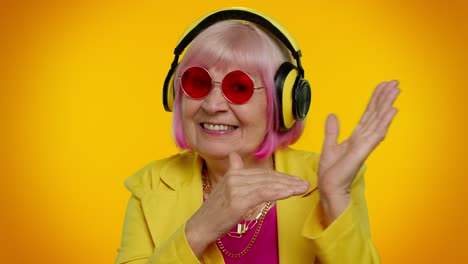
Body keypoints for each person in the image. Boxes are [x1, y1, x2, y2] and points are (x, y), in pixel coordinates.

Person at [115, 7, 399, 264]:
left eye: (238, 87)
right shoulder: (150, 186)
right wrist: (199, 229)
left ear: (283, 102)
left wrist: (334, 198)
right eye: (198, 83)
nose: (213, 106)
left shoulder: (326, 181)